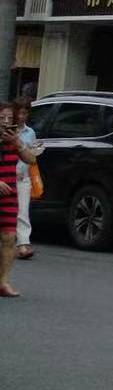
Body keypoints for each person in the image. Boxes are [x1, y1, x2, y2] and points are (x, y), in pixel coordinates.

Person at [0, 103, 28, 298]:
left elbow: (31, 160)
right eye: (2, 118)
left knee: (10, 238)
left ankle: (3, 283)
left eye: (10, 118)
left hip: (9, 196)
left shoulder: (13, 140)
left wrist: (17, 143)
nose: (6, 121)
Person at [14, 99, 38, 261]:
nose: (22, 116)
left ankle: (23, 244)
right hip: (6, 176)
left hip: (24, 176)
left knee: (23, 210)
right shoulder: (7, 130)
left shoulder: (30, 132)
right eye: (19, 112)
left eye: (25, 113)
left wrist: (36, 151)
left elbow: (31, 154)